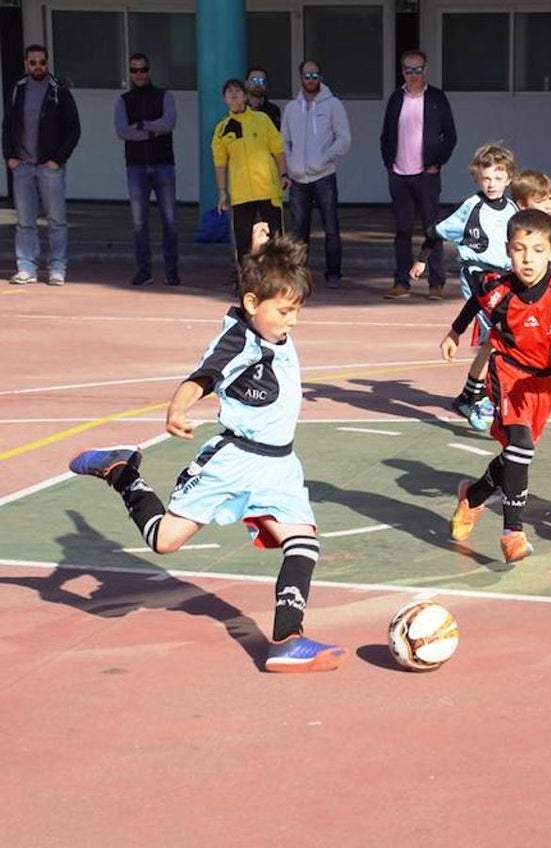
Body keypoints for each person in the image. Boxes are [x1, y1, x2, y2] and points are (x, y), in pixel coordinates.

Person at [68, 223, 346, 673]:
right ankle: (121, 471)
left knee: (303, 544)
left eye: (297, 311)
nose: (292, 321)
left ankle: (286, 640)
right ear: (253, 304)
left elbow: (257, 290)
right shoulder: (237, 343)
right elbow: (202, 378)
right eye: (285, 311)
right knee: (165, 541)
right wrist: (177, 408)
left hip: (280, 465)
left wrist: (258, 253)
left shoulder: (266, 320)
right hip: (235, 461)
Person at [441, 208, 551, 563]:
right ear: (508, 250)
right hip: (508, 371)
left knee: (517, 453)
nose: (528, 259)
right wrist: (454, 332)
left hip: (544, 382)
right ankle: (512, 532)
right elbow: (476, 300)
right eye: (519, 249)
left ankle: (473, 496)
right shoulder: (499, 287)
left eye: (537, 250)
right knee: (521, 446)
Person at [411, 142, 518, 431]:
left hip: (505, 279)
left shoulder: (513, 209)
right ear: (476, 178)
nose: (491, 183)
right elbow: (436, 231)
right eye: (486, 178)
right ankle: (482, 397)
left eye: (498, 178)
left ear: (509, 179)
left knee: (492, 341)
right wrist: (421, 260)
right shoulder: (471, 207)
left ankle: (469, 396)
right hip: (477, 276)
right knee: (498, 337)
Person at [380, 49, 457, 300]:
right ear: (402, 72)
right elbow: (385, 135)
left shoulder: (436, 98)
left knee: (431, 229)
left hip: (426, 175)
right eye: (409, 70)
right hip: (399, 175)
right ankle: (401, 282)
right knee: (402, 231)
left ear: (426, 70)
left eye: (418, 70)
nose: (414, 75)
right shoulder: (396, 98)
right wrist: (388, 162)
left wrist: (437, 163)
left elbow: (450, 135)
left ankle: (436, 283)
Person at [2, 44, 81, 287]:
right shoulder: (18, 89)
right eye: (33, 62)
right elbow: (7, 126)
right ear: (26, 64)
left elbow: (73, 129)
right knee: (25, 222)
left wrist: (57, 160)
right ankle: (26, 268)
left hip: (50, 168)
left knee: (56, 221)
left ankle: (57, 268)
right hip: (23, 166)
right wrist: (9, 157)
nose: (38, 67)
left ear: (47, 63)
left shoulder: (59, 90)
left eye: (42, 62)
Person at [282, 59, 351, 290]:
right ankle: (299, 275)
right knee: (298, 231)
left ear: (321, 77)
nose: (311, 80)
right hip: (298, 179)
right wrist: (290, 165)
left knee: (331, 228)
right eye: (307, 76)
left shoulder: (333, 105)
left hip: (324, 176)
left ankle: (334, 273)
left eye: (314, 75)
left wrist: (325, 158)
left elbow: (344, 139)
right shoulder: (292, 108)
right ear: (300, 78)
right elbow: (283, 140)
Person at [114, 52, 179, 287]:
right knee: (139, 223)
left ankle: (172, 272)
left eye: (142, 69)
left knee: (169, 220)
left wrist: (142, 126)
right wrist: (153, 131)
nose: (139, 74)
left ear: (149, 71)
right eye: (134, 70)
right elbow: (122, 131)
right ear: (130, 73)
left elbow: (169, 123)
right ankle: (144, 271)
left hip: (163, 164)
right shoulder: (123, 101)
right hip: (136, 166)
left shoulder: (165, 96)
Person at [211, 78, 290, 267]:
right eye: (229, 92)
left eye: (237, 91)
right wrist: (222, 192)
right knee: (243, 244)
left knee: (275, 240)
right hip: (241, 194)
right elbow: (220, 163)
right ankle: (246, 281)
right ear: (224, 99)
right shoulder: (222, 129)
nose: (233, 95)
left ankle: (278, 279)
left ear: (245, 96)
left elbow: (278, 148)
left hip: (267, 190)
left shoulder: (262, 119)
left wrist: (284, 174)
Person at [245, 66, 281, 130]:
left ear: (266, 84)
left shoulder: (273, 110)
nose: (258, 85)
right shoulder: (239, 108)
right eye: (254, 80)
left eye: (262, 81)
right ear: (246, 83)